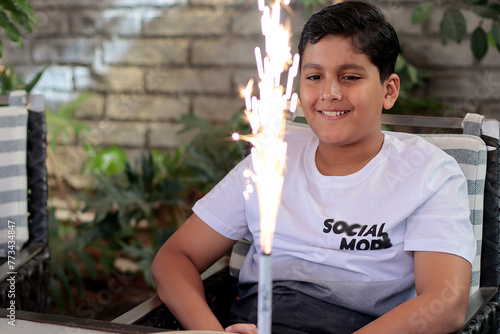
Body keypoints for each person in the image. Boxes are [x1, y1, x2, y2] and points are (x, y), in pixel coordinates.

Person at [152, 1, 476, 333]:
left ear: (388, 90)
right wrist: (212, 332)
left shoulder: (429, 173)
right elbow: (175, 257)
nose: (329, 93)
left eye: (350, 76)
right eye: (314, 76)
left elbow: (446, 302)